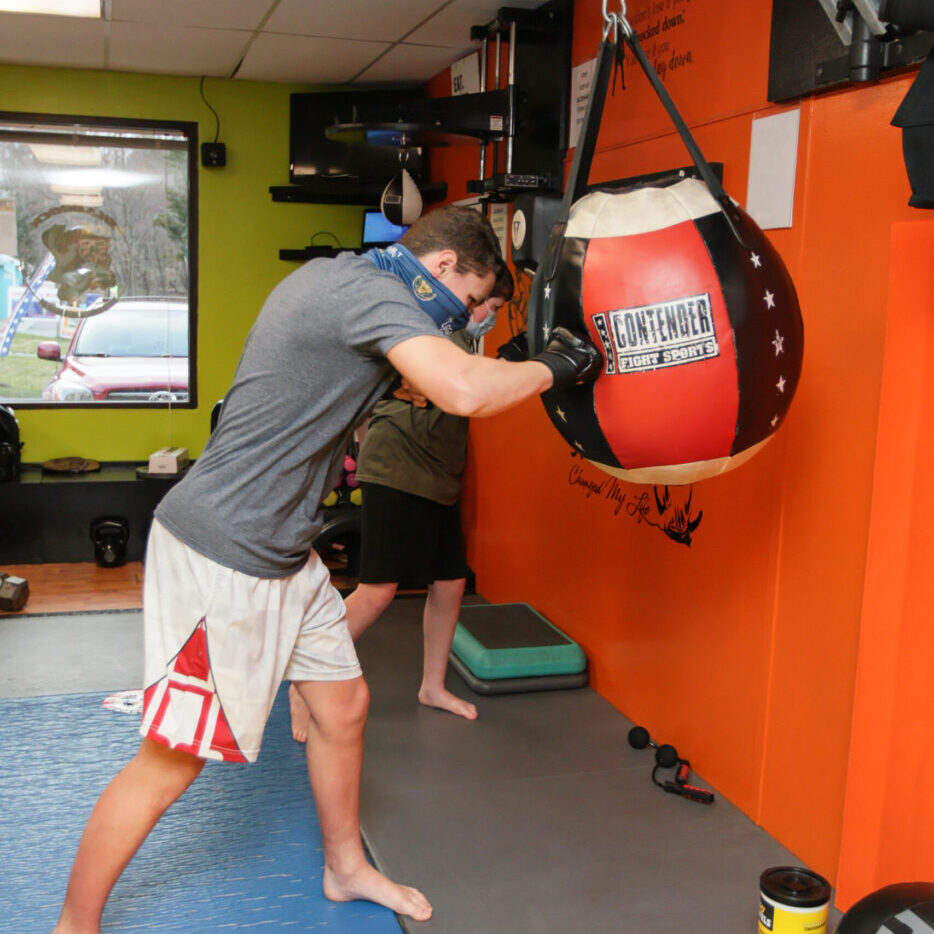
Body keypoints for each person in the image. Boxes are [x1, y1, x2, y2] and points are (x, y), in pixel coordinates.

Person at [53, 204, 601, 934]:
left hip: (287, 549)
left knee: (342, 707)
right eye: (469, 302)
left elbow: (426, 381)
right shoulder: (372, 295)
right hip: (226, 552)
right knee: (173, 759)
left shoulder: (339, 281)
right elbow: (462, 391)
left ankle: (345, 869)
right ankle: (73, 925)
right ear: (440, 269)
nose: (465, 318)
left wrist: (499, 365)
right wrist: (557, 366)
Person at [289, 266, 515, 740]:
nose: (490, 317)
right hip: (397, 466)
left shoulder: (462, 341)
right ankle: (305, 680)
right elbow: (464, 394)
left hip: (438, 474)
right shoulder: (431, 333)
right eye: (489, 307)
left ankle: (432, 687)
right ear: (469, 297)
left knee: (450, 583)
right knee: (378, 590)